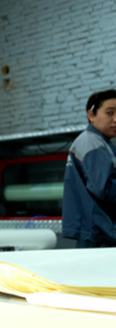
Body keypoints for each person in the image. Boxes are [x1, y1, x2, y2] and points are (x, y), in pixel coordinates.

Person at [63, 89, 116, 248]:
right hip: (98, 235)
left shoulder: (102, 143)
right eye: (109, 113)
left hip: (98, 232)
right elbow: (104, 188)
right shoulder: (92, 142)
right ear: (91, 115)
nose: (115, 119)